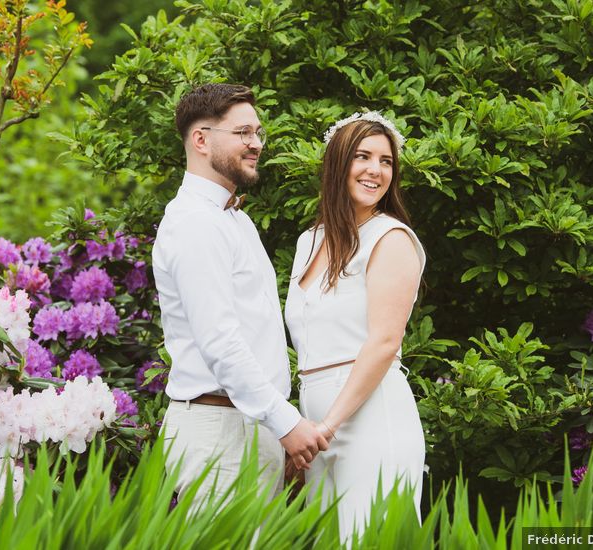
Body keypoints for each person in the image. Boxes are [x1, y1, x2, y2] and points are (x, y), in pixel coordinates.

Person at [153, 83, 329, 509]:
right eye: (243, 133)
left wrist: (275, 427)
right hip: (217, 431)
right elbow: (220, 341)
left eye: (258, 134)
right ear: (201, 139)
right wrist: (287, 423)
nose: (256, 144)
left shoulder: (234, 221)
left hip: (249, 425)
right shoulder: (195, 223)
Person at [284, 111, 427, 539]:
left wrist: (326, 427)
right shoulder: (308, 241)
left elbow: (384, 343)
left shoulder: (392, 238)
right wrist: (296, 427)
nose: (375, 170)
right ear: (337, 164)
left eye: (386, 161)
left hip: (369, 419)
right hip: (314, 425)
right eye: (363, 156)